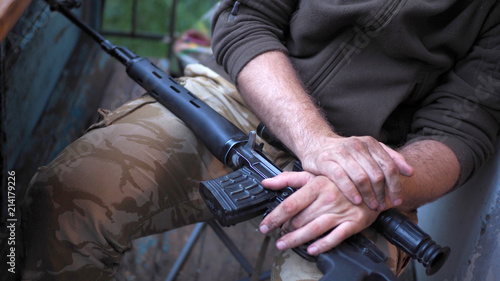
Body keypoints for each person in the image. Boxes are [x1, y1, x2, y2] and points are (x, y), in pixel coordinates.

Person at [21, 0, 500, 280]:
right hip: (241, 100)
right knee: (61, 200)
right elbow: (244, 20)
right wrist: (318, 143)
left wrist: (377, 186)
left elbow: (465, 125)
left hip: (373, 169)